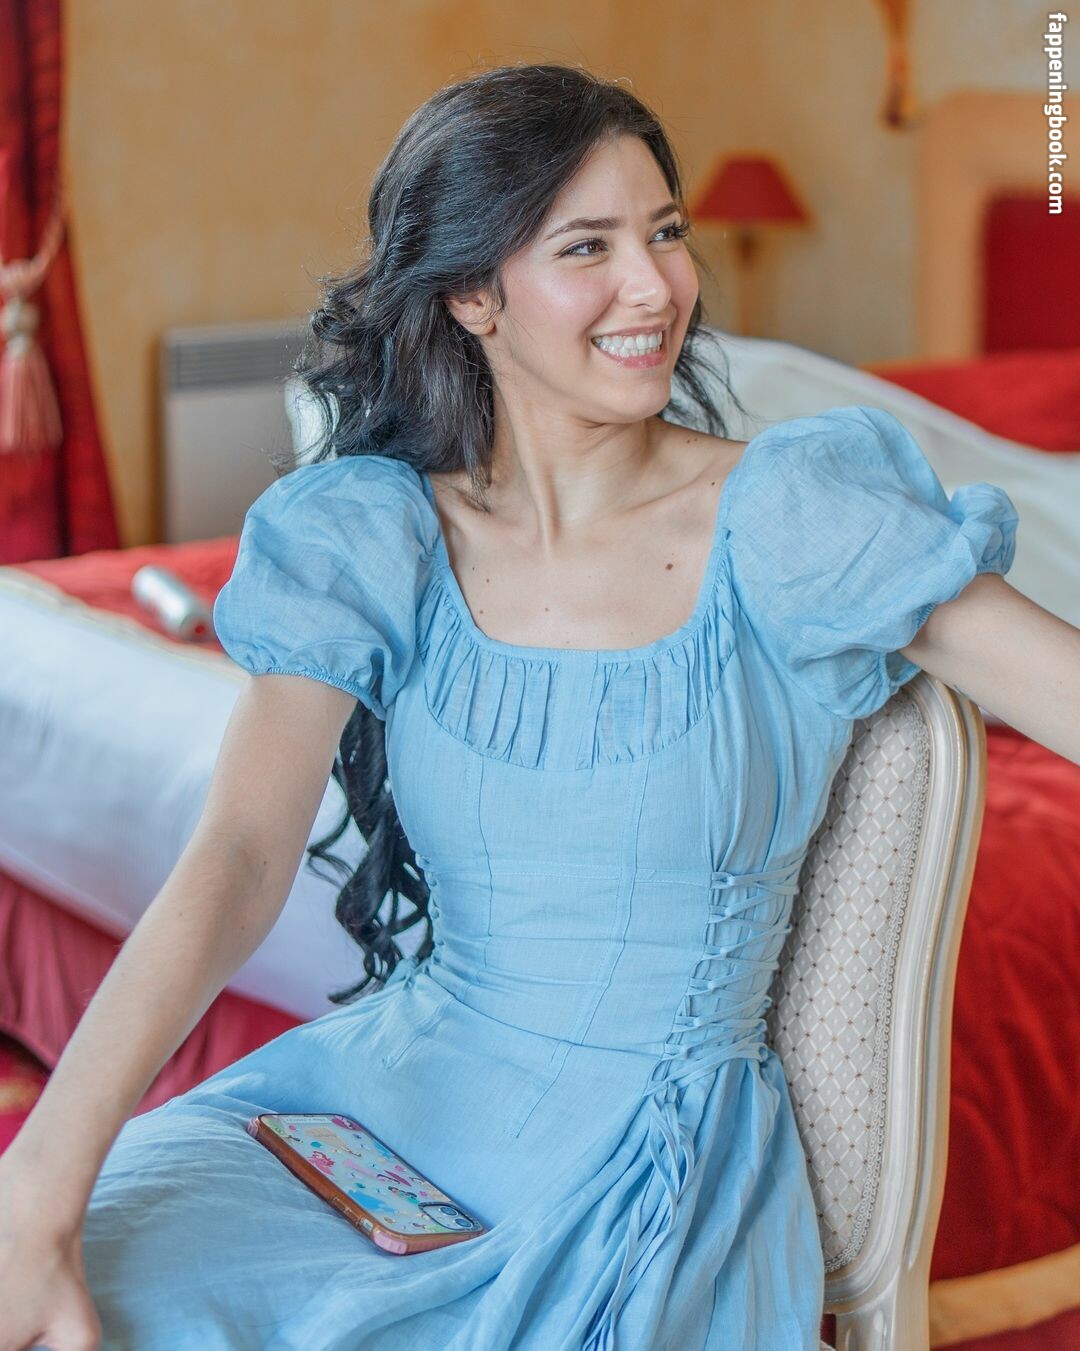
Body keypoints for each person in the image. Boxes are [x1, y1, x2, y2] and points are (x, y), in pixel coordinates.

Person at [2, 60, 1076, 1351]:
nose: (656, 286)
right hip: (390, 1103)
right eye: (588, 247)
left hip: (635, 1175)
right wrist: (38, 1188)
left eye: (664, 232)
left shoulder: (793, 511)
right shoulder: (378, 531)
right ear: (472, 296)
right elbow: (237, 857)